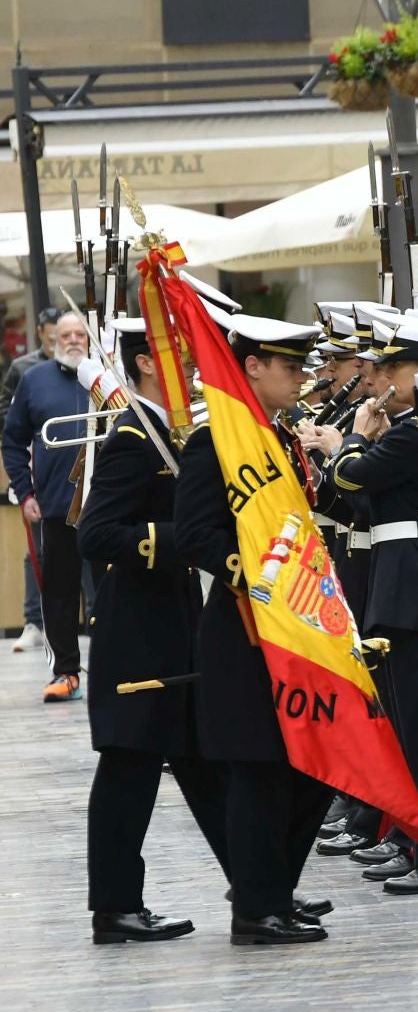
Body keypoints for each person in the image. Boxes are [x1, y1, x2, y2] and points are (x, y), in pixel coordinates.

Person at [174, 311, 334, 945]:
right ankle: (256, 910)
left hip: (297, 626)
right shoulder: (214, 442)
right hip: (244, 627)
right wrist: (260, 574)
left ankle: (275, 891)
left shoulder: (279, 438)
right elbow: (195, 536)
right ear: (252, 367)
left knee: (307, 767)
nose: (299, 378)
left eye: (301, 367)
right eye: (289, 367)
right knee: (259, 768)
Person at [75, 318, 231, 944]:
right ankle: (115, 907)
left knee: (204, 763)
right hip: (137, 627)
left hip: (176, 621)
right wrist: (180, 543)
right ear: (144, 364)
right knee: (129, 767)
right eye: (180, 360)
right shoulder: (134, 439)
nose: (191, 370)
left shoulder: (168, 433)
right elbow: (95, 534)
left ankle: (261, 885)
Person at [307, 314, 418, 895]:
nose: (378, 378)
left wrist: (348, 439)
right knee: (406, 732)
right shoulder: (403, 430)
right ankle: (412, 840)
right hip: (396, 587)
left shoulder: (417, 433)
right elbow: (353, 500)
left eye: (392, 368)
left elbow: (357, 475)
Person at [2, 310, 97, 702]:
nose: (74, 339)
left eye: (80, 333)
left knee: (108, 596)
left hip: (105, 509)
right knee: (57, 596)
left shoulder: (107, 381)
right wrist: (24, 494)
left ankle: (114, 669)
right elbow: (11, 439)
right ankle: (66, 673)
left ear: (89, 339)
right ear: (51, 339)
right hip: (56, 508)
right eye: (66, 334)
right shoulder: (33, 381)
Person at [7, 307, 63, 653]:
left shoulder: (85, 367)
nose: (62, 339)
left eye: (71, 333)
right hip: (38, 465)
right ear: (41, 331)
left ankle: (92, 616)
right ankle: (33, 620)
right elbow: (8, 414)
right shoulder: (24, 369)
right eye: (55, 332)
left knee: (86, 547)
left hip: (79, 470)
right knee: (38, 548)